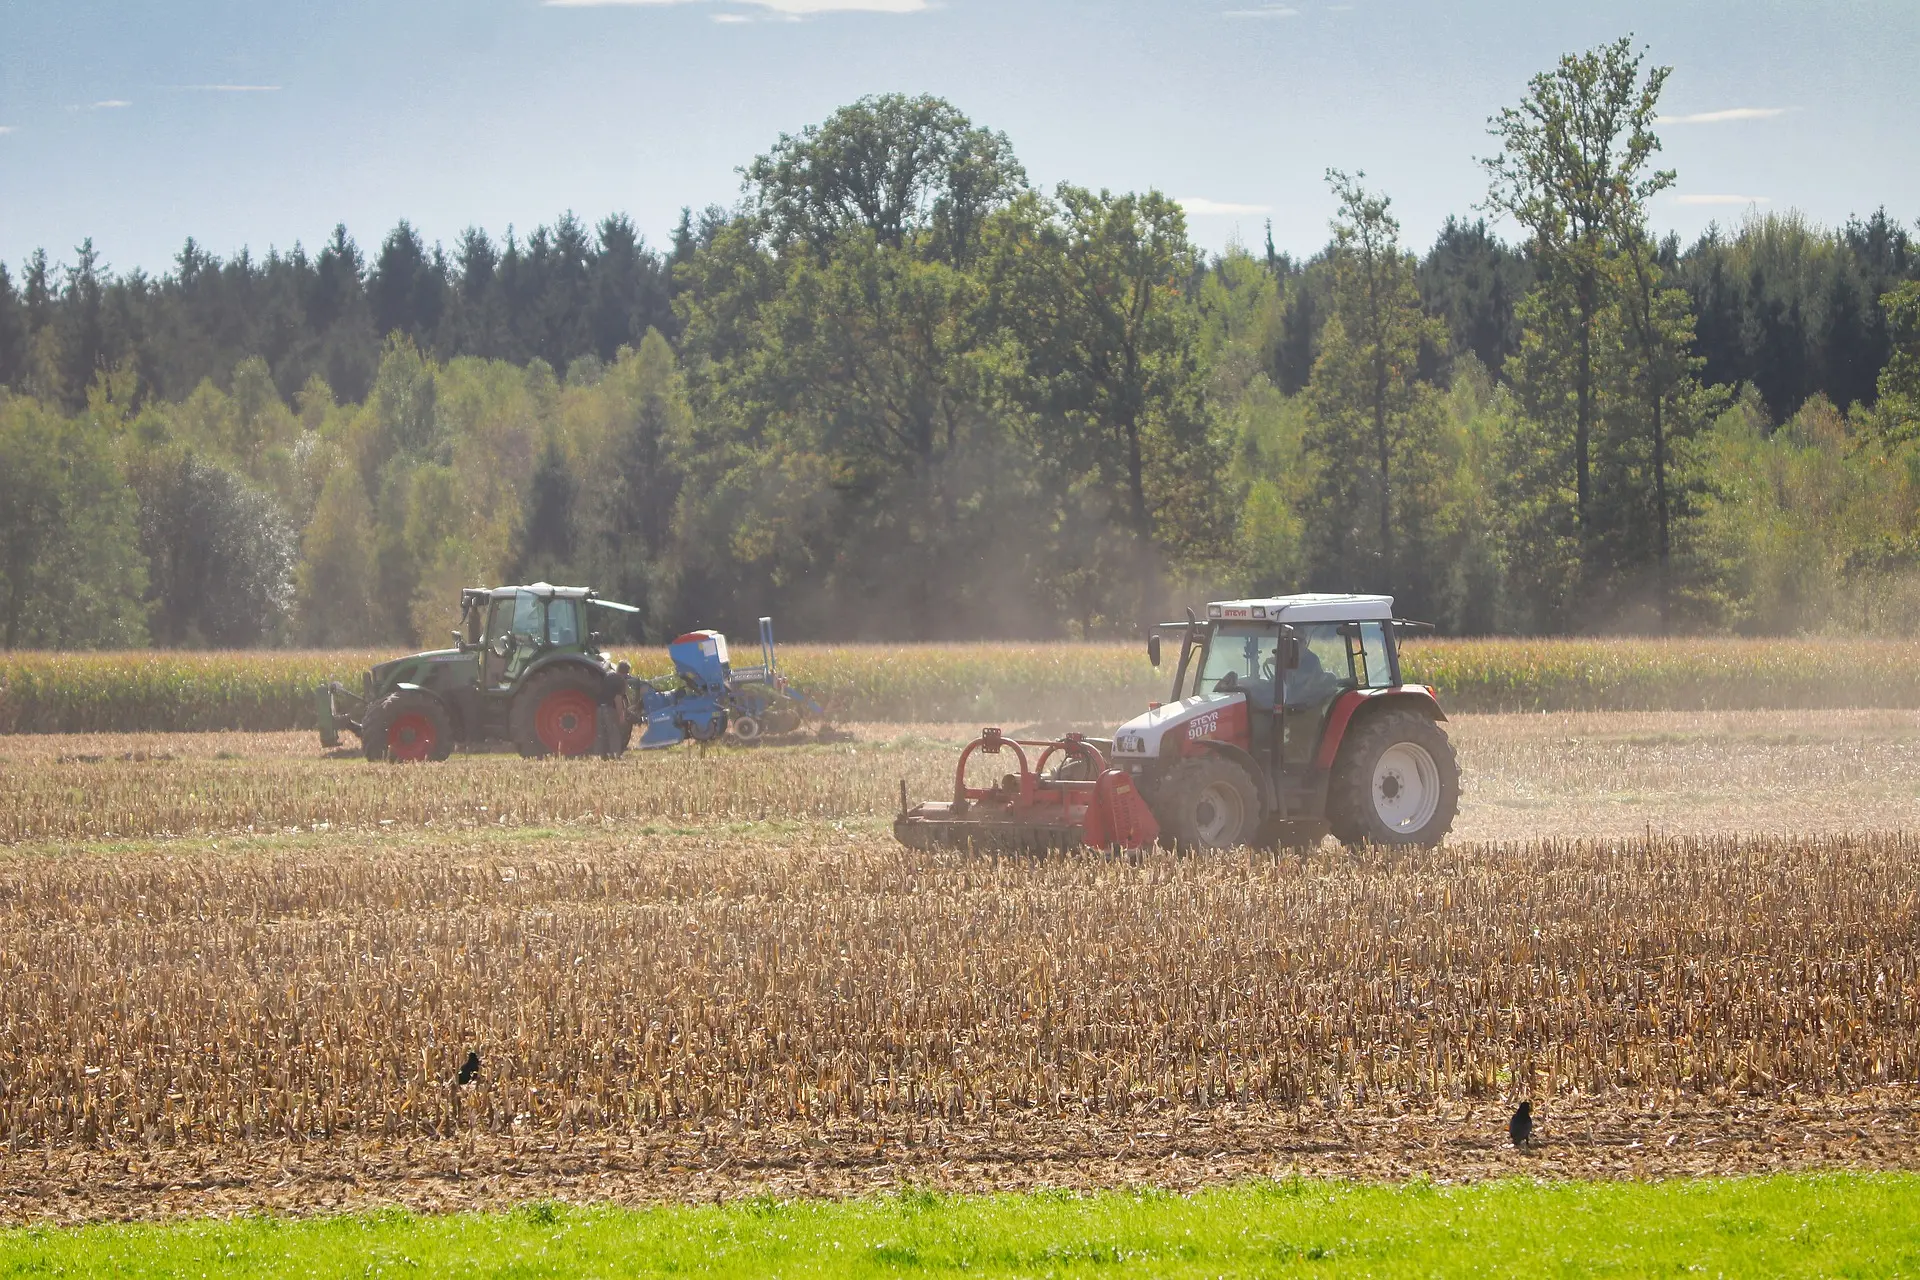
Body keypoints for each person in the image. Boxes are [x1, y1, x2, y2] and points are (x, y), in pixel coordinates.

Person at [598, 660, 632, 759]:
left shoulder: (608, 676)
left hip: (599, 708)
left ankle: (603, 755)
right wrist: (621, 716)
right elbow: (618, 699)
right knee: (614, 733)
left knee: (603, 733)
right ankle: (616, 756)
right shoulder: (620, 680)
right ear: (626, 672)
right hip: (609, 709)